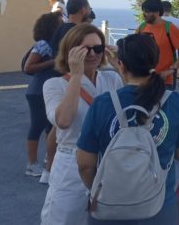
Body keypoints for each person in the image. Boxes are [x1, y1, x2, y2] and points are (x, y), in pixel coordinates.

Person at [76, 33, 179, 224]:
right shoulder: (175, 102)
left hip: (109, 207)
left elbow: (85, 164)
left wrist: (97, 191)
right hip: (159, 206)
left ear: (121, 65)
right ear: (155, 62)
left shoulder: (103, 104)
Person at [40, 23, 123, 225]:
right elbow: (63, 121)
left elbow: (132, 111)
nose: (93, 54)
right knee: (64, 219)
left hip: (107, 161)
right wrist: (76, 75)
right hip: (71, 162)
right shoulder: (55, 85)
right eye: (85, 49)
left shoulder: (112, 78)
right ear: (71, 51)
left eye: (98, 48)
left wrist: (120, 68)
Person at [23, 13, 62, 181]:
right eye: (60, 23)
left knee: (50, 126)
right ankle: (32, 165)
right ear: (52, 26)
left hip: (46, 89)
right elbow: (28, 67)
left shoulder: (54, 44)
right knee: (37, 126)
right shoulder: (43, 44)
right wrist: (52, 62)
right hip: (38, 91)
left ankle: (49, 160)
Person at [137, 0, 179, 91]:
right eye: (144, 11)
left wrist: (173, 69)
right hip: (144, 78)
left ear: (157, 13)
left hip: (164, 80)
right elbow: (133, 47)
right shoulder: (142, 27)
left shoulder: (168, 27)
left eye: (147, 12)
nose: (144, 14)